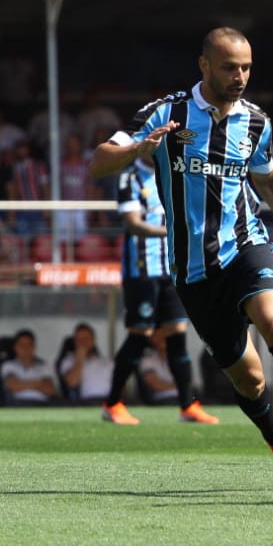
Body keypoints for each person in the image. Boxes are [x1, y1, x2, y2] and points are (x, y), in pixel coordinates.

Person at [89, 27, 273, 487]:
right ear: (204, 66)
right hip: (193, 269)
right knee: (250, 381)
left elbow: (266, 178)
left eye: (246, 67)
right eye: (229, 67)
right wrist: (139, 148)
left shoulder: (256, 122)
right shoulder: (166, 112)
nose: (240, 76)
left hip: (245, 244)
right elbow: (99, 161)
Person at [98, 148, 219, 426]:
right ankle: (113, 403)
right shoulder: (130, 178)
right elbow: (133, 224)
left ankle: (188, 405)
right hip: (142, 269)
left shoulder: (175, 174)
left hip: (172, 268)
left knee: (177, 333)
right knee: (140, 335)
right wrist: (174, 231)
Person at [58, 322, 115, 404]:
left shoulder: (108, 362)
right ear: (75, 342)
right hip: (85, 402)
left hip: (109, 402)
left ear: (93, 340)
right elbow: (72, 383)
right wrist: (80, 359)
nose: (83, 342)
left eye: (86, 338)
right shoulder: (68, 361)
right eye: (79, 339)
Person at [0, 328, 56, 405]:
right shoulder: (9, 365)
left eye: (28, 345)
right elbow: (14, 386)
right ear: (15, 347)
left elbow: (50, 390)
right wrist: (40, 383)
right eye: (22, 345)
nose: (25, 348)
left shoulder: (43, 365)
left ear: (34, 347)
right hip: (19, 404)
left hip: (42, 404)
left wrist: (23, 384)